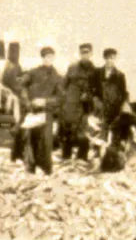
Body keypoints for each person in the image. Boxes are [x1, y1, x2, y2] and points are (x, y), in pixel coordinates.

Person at [20, 47, 64, 175]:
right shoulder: (33, 73)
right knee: (31, 141)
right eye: (46, 57)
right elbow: (22, 87)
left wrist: (45, 101)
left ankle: (46, 171)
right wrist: (28, 103)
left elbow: (61, 97)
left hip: (46, 113)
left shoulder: (57, 77)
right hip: (32, 113)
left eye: (51, 57)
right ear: (42, 58)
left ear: (54, 58)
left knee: (46, 142)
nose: (48, 60)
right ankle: (30, 170)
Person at [59, 43, 96, 162]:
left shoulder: (94, 71)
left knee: (83, 131)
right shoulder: (72, 67)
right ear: (80, 54)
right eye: (82, 53)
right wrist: (64, 99)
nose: (85, 55)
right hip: (71, 103)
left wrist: (88, 95)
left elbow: (96, 89)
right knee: (68, 129)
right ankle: (66, 156)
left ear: (91, 54)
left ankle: (82, 157)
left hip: (85, 105)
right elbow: (63, 85)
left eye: (87, 53)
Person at [93, 47, 130, 148]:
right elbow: (92, 90)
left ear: (115, 59)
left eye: (112, 58)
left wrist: (125, 105)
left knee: (114, 137)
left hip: (115, 110)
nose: (110, 60)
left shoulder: (120, 75)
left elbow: (124, 93)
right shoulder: (97, 73)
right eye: (108, 58)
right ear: (104, 58)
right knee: (99, 138)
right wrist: (96, 101)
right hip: (101, 110)